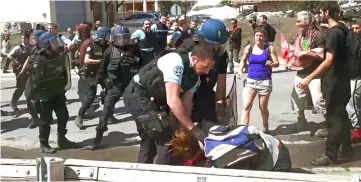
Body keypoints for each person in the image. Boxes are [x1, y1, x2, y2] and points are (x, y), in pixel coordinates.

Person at [123, 45, 216, 165]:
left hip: (154, 102)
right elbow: (173, 100)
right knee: (166, 142)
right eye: (205, 66)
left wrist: (184, 129)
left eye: (210, 69)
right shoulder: (176, 63)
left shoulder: (195, 79)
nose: (207, 72)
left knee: (151, 139)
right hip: (138, 96)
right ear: (194, 59)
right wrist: (194, 130)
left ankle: (143, 172)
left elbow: (186, 106)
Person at [297, 2, 352, 166]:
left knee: (334, 117)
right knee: (341, 116)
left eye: (320, 12)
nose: (319, 15)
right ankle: (347, 149)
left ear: (326, 12)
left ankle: (331, 154)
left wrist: (309, 78)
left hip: (334, 80)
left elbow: (329, 60)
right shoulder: (344, 29)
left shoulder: (334, 33)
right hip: (343, 79)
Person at [83, 26, 144, 150]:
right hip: (114, 85)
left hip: (130, 85)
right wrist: (102, 84)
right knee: (105, 112)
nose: (123, 41)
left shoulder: (135, 50)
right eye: (120, 39)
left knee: (139, 111)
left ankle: (145, 137)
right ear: (114, 39)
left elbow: (142, 66)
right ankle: (97, 139)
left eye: (125, 38)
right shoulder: (109, 51)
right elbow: (102, 70)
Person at [28, 32, 77, 153]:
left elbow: (63, 71)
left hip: (57, 91)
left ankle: (62, 140)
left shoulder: (57, 55)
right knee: (45, 120)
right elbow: (36, 81)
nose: (57, 44)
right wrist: (37, 96)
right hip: (45, 95)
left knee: (63, 115)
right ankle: (43, 144)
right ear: (46, 45)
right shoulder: (40, 59)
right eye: (53, 42)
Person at [177, 19, 228, 125]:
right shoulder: (188, 47)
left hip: (206, 94)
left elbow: (221, 83)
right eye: (213, 45)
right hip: (183, 93)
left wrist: (220, 103)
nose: (216, 48)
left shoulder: (221, 55)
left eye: (219, 45)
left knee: (211, 129)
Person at [289, 11, 327, 135]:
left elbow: (321, 55)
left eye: (299, 21)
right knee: (296, 98)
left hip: (315, 74)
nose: (297, 24)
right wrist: (293, 60)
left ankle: (327, 124)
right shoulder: (302, 36)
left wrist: (306, 53)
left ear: (307, 22)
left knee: (318, 100)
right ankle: (302, 120)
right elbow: (302, 50)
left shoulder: (317, 35)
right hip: (301, 72)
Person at [74, 26, 117, 130]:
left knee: (109, 94)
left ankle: (109, 115)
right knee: (91, 96)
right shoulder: (92, 45)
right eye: (107, 35)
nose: (109, 37)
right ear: (102, 36)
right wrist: (100, 61)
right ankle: (79, 116)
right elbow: (86, 60)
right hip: (91, 74)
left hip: (102, 73)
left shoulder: (108, 46)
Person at [238, 28, 280, 134]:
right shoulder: (249, 48)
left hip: (264, 82)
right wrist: (240, 70)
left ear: (264, 37)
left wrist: (272, 64)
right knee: (246, 105)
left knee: (263, 108)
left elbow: (277, 63)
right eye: (257, 35)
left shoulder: (269, 48)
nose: (258, 37)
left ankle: (265, 126)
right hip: (251, 81)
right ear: (254, 36)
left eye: (261, 35)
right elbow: (243, 60)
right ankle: (244, 131)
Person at [18, 29, 47, 129]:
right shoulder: (32, 48)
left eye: (35, 38)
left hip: (43, 78)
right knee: (28, 97)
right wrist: (22, 71)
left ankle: (45, 117)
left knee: (43, 100)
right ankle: (35, 119)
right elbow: (28, 59)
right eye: (32, 38)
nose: (32, 40)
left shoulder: (46, 49)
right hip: (32, 77)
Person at [7, 32, 31, 111]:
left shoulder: (31, 47)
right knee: (20, 88)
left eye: (25, 38)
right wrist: (15, 61)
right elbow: (9, 55)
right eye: (22, 38)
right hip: (20, 71)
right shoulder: (18, 48)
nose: (23, 40)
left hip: (30, 70)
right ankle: (13, 102)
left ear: (28, 39)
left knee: (31, 87)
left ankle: (31, 104)